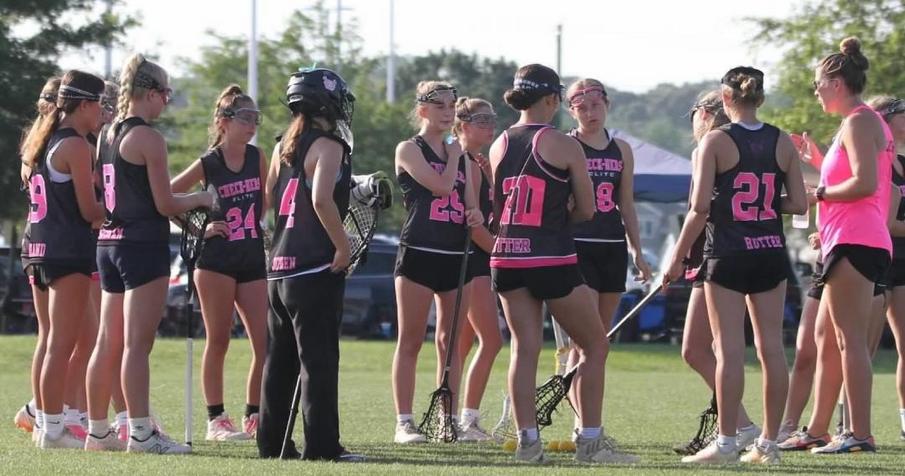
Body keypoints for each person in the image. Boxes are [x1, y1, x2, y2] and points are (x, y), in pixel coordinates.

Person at [490, 63, 637, 464]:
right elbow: (587, 210)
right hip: (550, 256)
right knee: (594, 345)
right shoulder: (562, 143)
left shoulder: (499, 143)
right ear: (554, 100)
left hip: (507, 255)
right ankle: (590, 442)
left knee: (524, 349)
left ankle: (528, 444)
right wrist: (558, 219)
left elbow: (498, 206)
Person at [665, 66, 807, 464]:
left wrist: (677, 258)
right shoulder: (781, 140)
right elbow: (799, 203)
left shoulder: (715, 141)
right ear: (760, 97)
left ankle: (727, 442)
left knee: (728, 351)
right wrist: (764, 204)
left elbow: (699, 210)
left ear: (725, 99)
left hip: (727, 253)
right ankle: (768, 444)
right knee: (771, 349)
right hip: (770, 252)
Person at [86, 53, 213, 454]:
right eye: (166, 93)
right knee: (137, 345)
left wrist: (195, 226)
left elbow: (132, 194)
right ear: (151, 93)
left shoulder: (107, 134)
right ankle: (142, 433)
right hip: (141, 247)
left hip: (109, 244)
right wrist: (203, 198)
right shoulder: (148, 138)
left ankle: (97, 431)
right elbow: (164, 203)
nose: (167, 102)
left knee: (108, 342)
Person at [257, 67, 362, 462]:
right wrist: (342, 246)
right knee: (318, 362)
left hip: (279, 269)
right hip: (313, 267)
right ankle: (322, 446)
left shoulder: (283, 144)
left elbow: (267, 199)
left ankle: (271, 445)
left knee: (278, 363)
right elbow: (320, 200)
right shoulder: (329, 145)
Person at [799, 38, 895, 455]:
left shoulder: (859, 121)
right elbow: (856, 176)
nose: (816, 91)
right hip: (851, 238)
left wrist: (817, 194)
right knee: (829, 337)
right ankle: (819, 429)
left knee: (849, 340)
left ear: (836, 83)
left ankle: (859, 433)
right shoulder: (858, 122)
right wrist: (819, 162)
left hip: (856, 240)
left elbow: (865, 184)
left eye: (818, 84)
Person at [171, 84, 268, 441]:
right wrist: (199, 228)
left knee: (265, 342)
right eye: (245, 118)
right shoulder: (209, 162)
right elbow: (168, 196)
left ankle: (255, 414)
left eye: (255, 118)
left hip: (251, 255)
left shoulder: (257, 157)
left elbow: (265, 201)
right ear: (224, 121)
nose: (252, 125)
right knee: (219, 340)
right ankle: (216, 420)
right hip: (216, 261)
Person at [19, 70, 107, 449]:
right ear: (84, 104)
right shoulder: (74, 145)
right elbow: (90, 212)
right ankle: (53, 429)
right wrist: (123, 209)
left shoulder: (43, 139)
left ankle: (46, 420)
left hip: (38, 248)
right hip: (66, 251)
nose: (102, 111)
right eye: (99, 104)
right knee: (61, 343)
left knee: (55, 339)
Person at [563, 78, 652, 444]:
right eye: (582, 107)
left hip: (612, 246)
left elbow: (626, 203)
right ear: (571, 110)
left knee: (599, 341)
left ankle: (586, 424)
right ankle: (584, 425)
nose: (590, 113)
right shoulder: (566, 145)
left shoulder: (621, 149)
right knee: (584, 342)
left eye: (596, 105)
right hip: (577, 246)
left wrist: (637, 250)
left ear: (607, 105)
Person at [390, 81, 480, 444]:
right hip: (419, 252)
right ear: (423, 110)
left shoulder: (462, 156)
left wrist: (474, 214)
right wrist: (456, 156)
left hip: (455, 255)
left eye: (451, 106)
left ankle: (448, 420)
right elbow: (441, 187)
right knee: (411, 340)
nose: (448, 112)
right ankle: (404, 422)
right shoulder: (409, 149)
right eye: (440, 105)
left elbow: (470, 203)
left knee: (450, 343)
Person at [673, 91, 761, 454]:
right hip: (751, 251)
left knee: (703, 349)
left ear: (706, 114)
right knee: (711, 348)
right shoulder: (750, 147)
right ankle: (743, 426)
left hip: (716, 255)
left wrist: (677, 256)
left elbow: (701, 210)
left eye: (694, 114)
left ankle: (742, 428)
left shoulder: (707, 148)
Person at [14, 76, 61, 443]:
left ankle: (37, 410)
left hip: (34, 244)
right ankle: (50, 415)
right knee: (63, 339)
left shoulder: (33, 144)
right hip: (59, 246)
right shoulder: (63, 144)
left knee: (47, 335)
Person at [451, 96, 502, 442]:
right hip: (472, 259)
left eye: (492, 119)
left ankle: (454, 418)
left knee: (463, 343)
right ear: (463, 125)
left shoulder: (477, 163)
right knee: (491, 340)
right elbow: (474, 226)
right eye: (482, 120)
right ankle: (465, 420)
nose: (490, 126)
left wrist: (492, 179)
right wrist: (503, 252)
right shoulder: (462, 161)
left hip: (478, 258)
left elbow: (492, 211)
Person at [870, 96, 905, 441]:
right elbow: (886, 223)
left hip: (904, 262)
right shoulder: (878, 165)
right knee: (862, 347)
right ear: (885, 120)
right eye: (902, 114)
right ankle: (848, 423)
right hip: (879, 258)